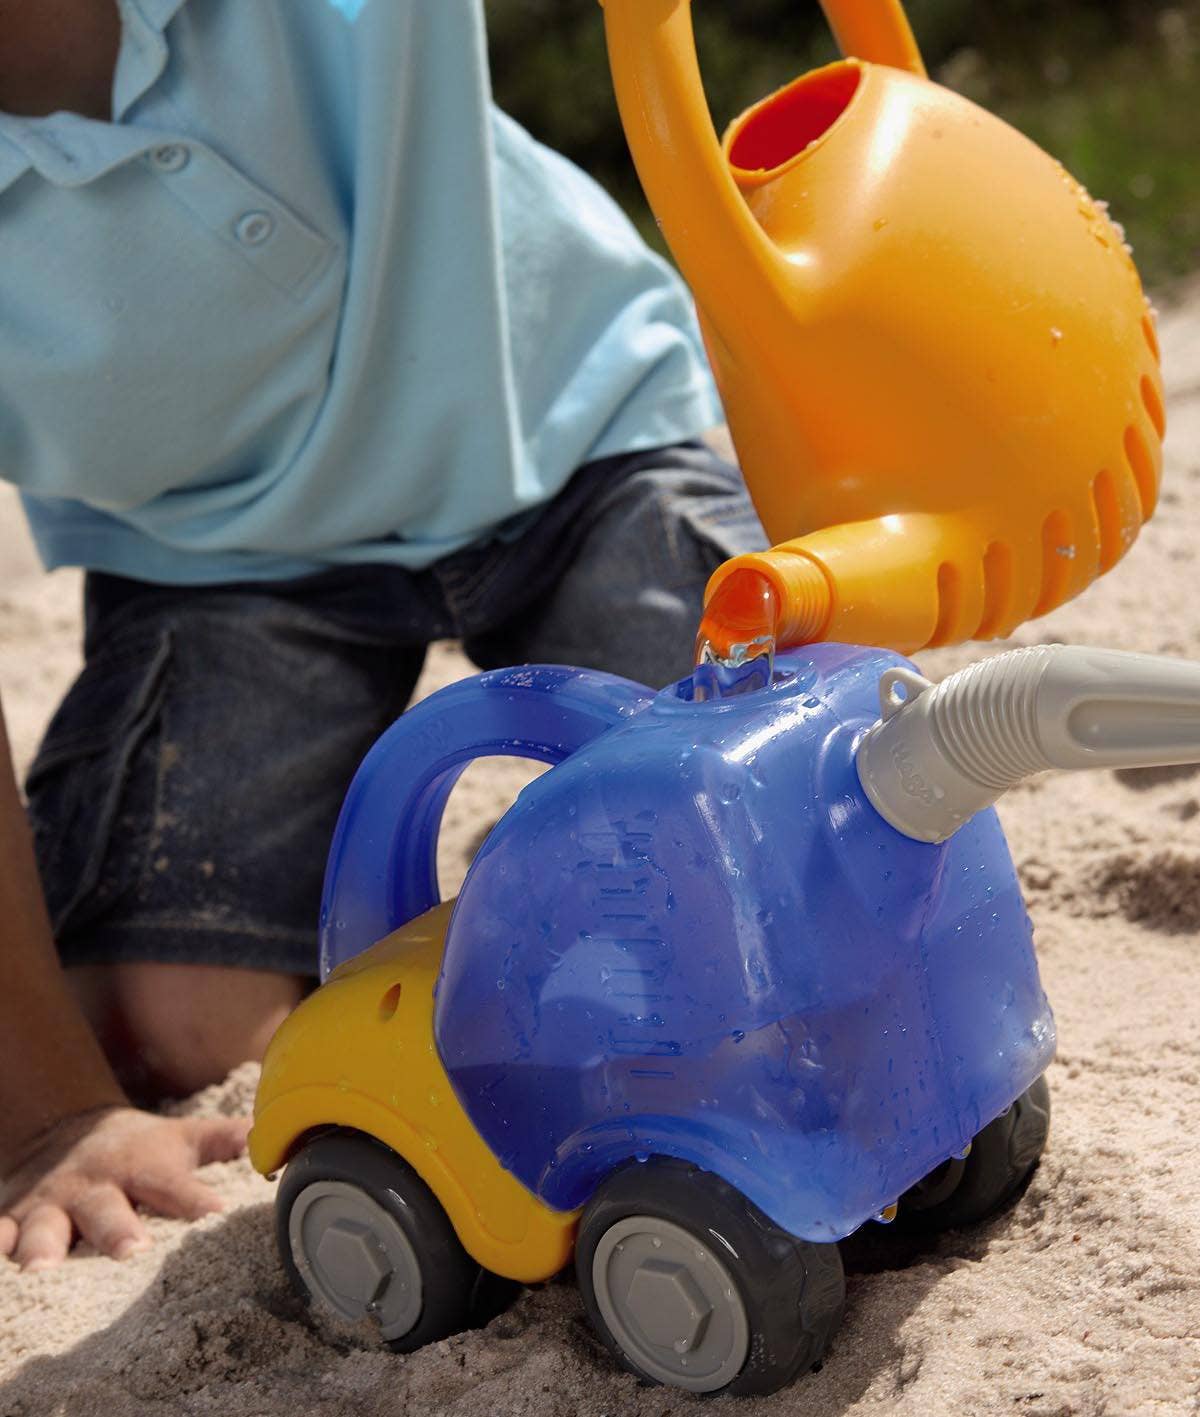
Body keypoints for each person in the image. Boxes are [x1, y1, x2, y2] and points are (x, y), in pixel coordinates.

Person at [0, 0, 764, 1270]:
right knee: (170, 1027)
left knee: (741, 840)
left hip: (568, 436)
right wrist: (52, 1114)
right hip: (220, 554)